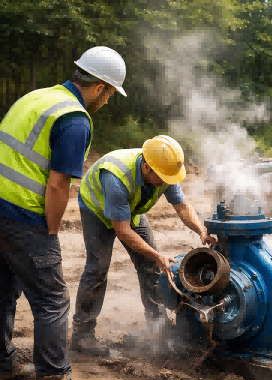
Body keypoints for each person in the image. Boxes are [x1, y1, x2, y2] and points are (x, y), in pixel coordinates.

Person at [0, 46, 127, 380]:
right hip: (23, 216)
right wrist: (50, 232)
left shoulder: (37, 98)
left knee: (5, 289)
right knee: (53, 301)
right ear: (101, 87)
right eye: (109, 95)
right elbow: (58, 185)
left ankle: (4, 364)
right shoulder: (75, 120)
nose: (106, 102)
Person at [72, 135, 217, 356]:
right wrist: (156, 254)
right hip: (97, 210)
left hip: (130, 210)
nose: (168, 181)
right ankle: (82, 336)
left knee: (152, 267)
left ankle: (157, 327)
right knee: (97, 269)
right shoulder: (116, 176)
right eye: (163, 177)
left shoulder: (164, 171)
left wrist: (201, 231)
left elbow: (182, 207)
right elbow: (122, 230)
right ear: (146, 167)